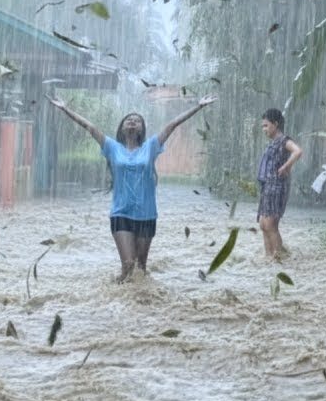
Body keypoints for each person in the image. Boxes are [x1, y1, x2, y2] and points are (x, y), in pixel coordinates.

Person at [47, 91, 218, 282]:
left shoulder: (151, 146)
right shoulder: (112, 147)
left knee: (140, 268)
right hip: (121, 213)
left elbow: (172, 125)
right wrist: (65, 109)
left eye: (137, 120)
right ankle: (116, 296)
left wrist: (198, 106)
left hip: (146, 214)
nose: (132, 121)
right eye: (129, 119)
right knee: (128, 265)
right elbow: (90, 126)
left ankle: (138, 305)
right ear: (122, 128)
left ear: (141, 129)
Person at [257, 108, 302, 261]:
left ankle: (279, 259)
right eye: (263, 126)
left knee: (271, 225)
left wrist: (287, 166)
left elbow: (298, 151)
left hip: (277, 187)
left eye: (266, 125)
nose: (264, 129)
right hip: (267, 187)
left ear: (275, 124)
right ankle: (269, 257)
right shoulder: (273, 143)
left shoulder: (284, 140)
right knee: (263, 224)